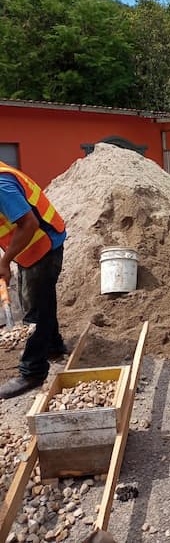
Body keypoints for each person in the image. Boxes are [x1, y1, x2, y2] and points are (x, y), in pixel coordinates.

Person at [0, 161, 67, 399]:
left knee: (35, 313)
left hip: (43, 246)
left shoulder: (1, 184)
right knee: (44, 300)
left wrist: (5, 261)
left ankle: (32, 372)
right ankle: (54, 347)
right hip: (31, 247)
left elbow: (29, 223)